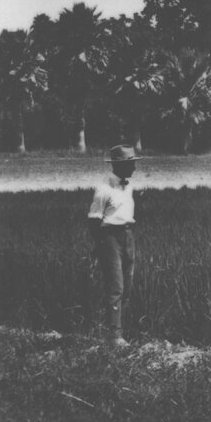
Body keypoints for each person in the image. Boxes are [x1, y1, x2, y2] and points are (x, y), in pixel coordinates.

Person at [87, 144, 141, 347]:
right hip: (110, 238)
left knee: (127, 286)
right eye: (130, 164)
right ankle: (114, 335)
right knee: (116, 287)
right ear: (118, 165)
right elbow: (93, 220)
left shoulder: (129, 187)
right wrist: (100, 245)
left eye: (134, 163)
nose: (134, 168)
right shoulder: (103, 190)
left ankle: (121, 333)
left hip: (128, 236)